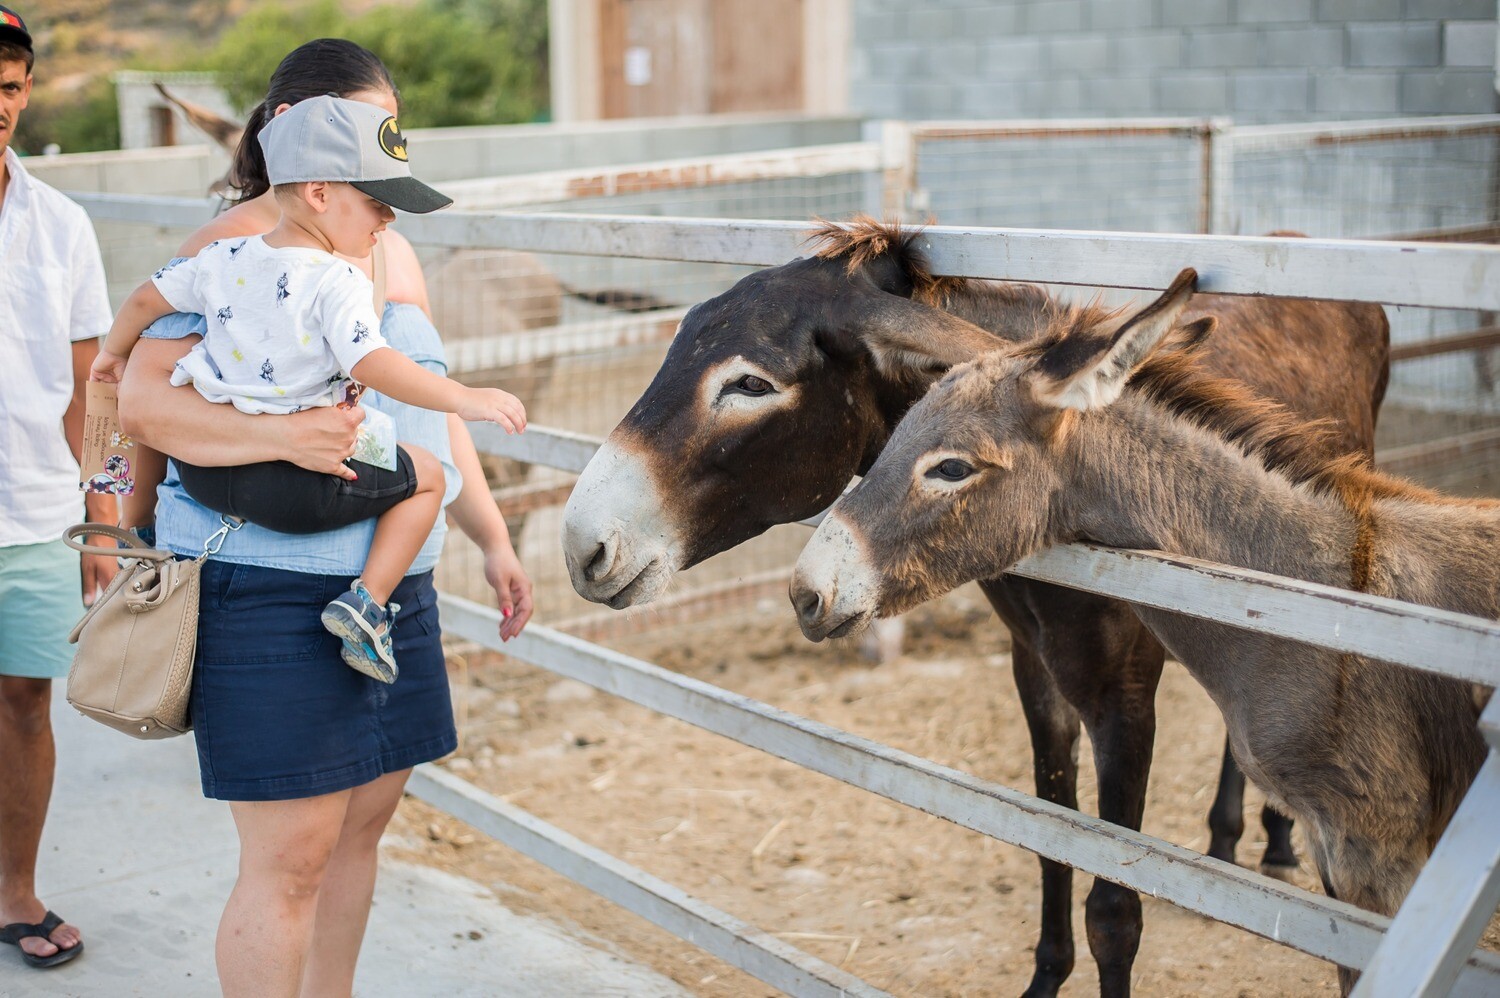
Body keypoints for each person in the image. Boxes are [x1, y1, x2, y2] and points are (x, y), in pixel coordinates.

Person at [116, 39, 533, 997]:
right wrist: (280, 438)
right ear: (301, 139)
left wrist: (491, 535)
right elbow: (141, 406)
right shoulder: (226, 253)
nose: (387, 164)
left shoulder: (386, 246)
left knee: (360, 834)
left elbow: (427, 408)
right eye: (370, 133)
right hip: (272, 586)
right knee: (291, 860)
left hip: (389, 590)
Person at [94, 96, 526, 682]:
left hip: (209, 473)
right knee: (429, 476)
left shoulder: (219, 258)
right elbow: (373, 362)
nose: (388, 220)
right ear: (320, 193)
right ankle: (367, 605)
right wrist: (465, 398)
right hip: (298, 487)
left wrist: (112, 354)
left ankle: (145, 530)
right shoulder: (337, 280)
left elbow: (146, 299)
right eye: (377, 203)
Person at [0, 4, 110, 971]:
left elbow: (91, 392)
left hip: (32, 513)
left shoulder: (62, 225)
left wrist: (103, 513)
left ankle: (15, 893)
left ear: (27, 91)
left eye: (7, 86)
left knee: (24, 707)